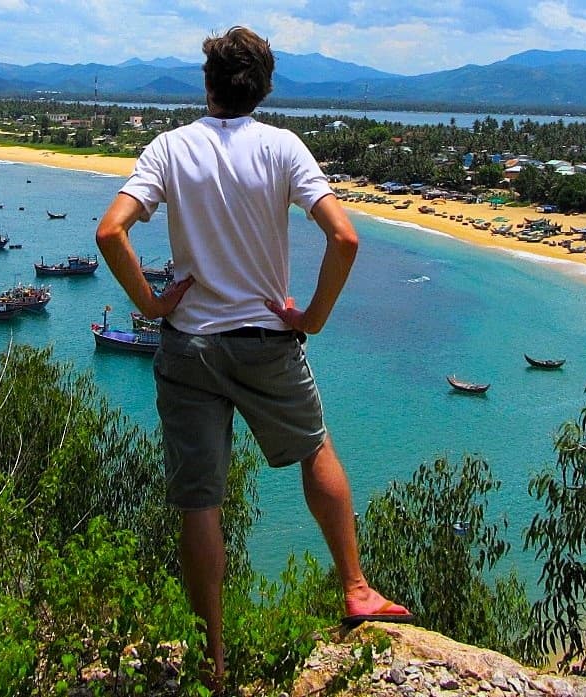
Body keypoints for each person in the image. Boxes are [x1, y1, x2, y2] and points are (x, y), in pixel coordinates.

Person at [94, 25, 413, 682]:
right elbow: (344, 238)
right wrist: (311, 318)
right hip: (267, 341)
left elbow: (110, 231)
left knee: (199, 499)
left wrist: (153, 306)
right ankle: (355, 587)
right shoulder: (283, 147)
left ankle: (212, 656)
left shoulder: (170, 147)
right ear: (263, 89)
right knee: (315, 449)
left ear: (207, 84)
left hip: (189, 346)